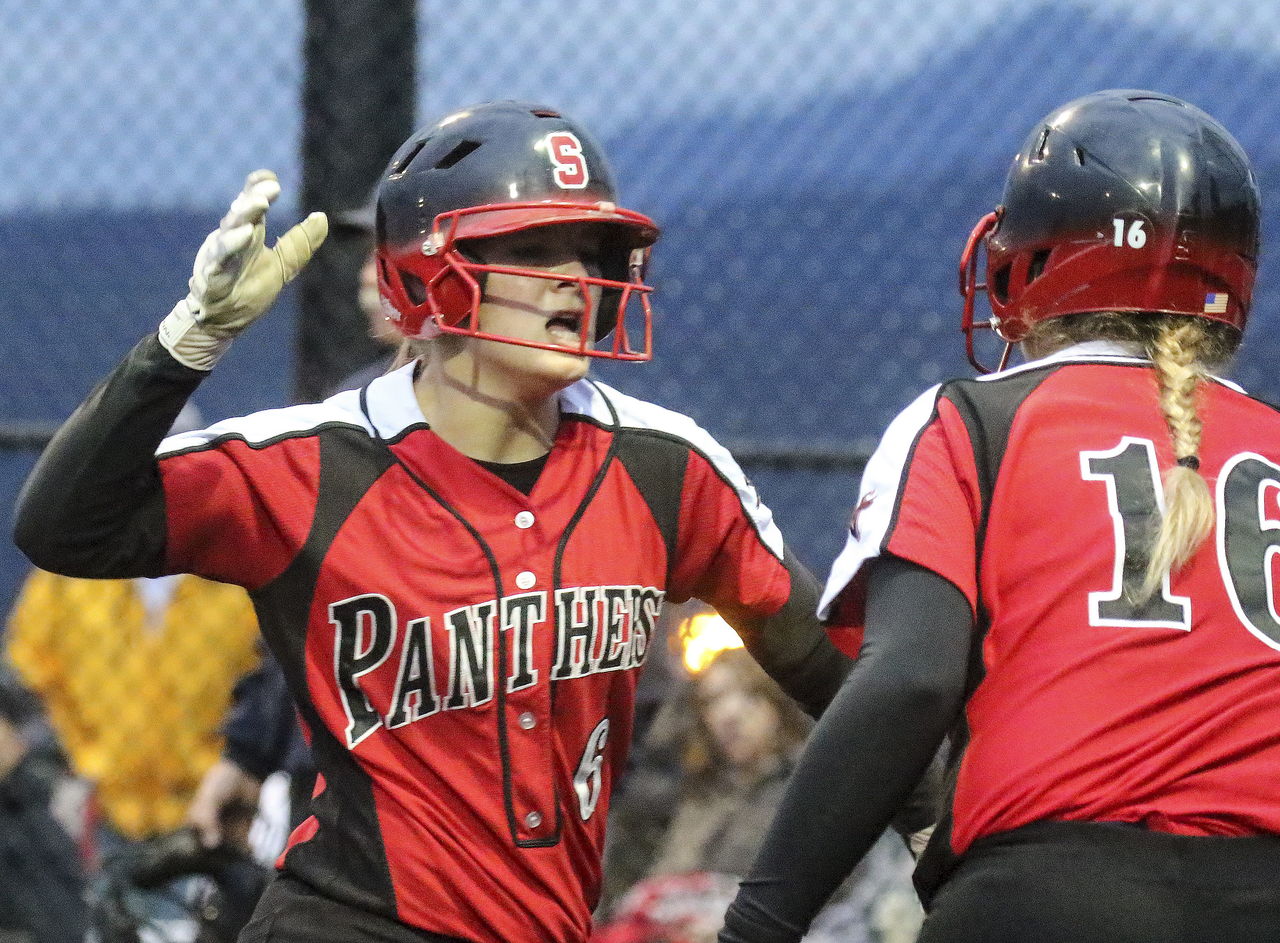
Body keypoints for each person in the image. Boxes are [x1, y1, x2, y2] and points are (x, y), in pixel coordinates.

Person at [13, 100, 850, 943]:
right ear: (430, 274)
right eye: (531, 247)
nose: (574, 275)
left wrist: (929, 839)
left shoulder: (665, 466)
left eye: (590, 248)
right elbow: (62, 526)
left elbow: (845, 683)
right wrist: (188, 339)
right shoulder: (315, 461)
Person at [717, 89, 1280, 943]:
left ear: (1035, 260)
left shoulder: (979, 420)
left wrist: (759, 923)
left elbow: (910, 680)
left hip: (1047, 893)